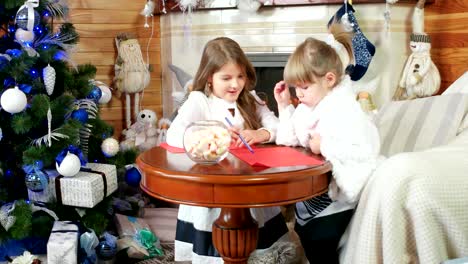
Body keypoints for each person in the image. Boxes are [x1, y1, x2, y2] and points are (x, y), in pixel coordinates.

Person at [166, 37, 291, 264]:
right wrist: (214, 133)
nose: (235, 84)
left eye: (240, 76)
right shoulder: (200, 101)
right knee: (218, 250)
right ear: (209, 78)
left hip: (248, 186)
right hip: (211, 191)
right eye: (226, 78)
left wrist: (260, 134)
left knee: (256, 243)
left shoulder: (250, 99)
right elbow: (174, 135)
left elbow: (277, 126)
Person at [273, 22, 382, 263]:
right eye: (295, 88)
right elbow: (289, 138)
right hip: (311, 200)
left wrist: (325, 145)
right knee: (308, 238)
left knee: (320, 241)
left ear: (329, 79)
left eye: (303, 87)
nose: (298, 94)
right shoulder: (308, 106)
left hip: (335, 203)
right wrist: (283, 106)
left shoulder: (345, 108)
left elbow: (363, 149)